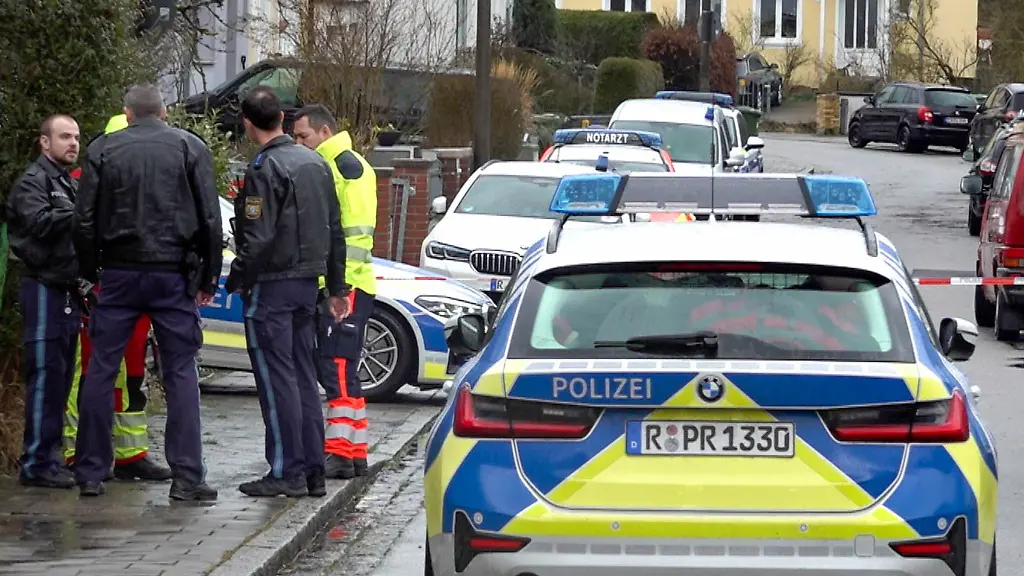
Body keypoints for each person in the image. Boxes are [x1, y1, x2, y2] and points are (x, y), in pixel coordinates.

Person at [73, 84, 223, 499]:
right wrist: (208, 278)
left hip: (119, 272)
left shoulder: (103, 149)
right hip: (174, 274)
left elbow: (84, 220)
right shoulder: (189, 147)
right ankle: (188, 478)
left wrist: (88, 275)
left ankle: (89, 472)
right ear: (164, 111)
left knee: (101, 370)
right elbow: (210, 218)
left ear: (127, 113)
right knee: (180, 373)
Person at [225, 87, 348, 498]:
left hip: (273, 285)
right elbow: (335, 230)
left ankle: (285, 470)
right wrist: (334, 287)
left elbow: (257, 238)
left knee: (277, 380)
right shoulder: (315, 162)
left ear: (247, 123)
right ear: (280, 118)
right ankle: (313, 470)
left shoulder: (264, 167)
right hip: (306, 285)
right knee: (301, 376)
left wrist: (237, 276)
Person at [63, 114, 172, 482]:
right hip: (97, 297)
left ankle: (130, 454)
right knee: (90, 374)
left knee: (131, 376)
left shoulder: (135, 182)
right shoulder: (83, 183)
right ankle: (76, 452)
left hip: (128, 294)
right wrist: (84, 284)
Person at [292, 104, 377, 480]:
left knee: (337, 369)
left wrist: (337, 287)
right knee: (345, 369)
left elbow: (350, 233)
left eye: (303, 137)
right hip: (353, 283)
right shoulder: (349, 162)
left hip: (346, 286)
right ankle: (354, 451)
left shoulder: (339, 165)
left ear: (324, 132)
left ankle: (340, 453)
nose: (299, 144)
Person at [3, 114, 82, 489]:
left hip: (66, 290)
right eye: (64, 136)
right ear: (44, 143)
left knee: (61, 378)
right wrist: (79, 214)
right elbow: (38, 224)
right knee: (46, 376)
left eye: (76, 137)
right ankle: (35, 462)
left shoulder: (66, 183)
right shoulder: (34, 183)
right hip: (42, 287)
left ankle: (50, 457)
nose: (73, 143)